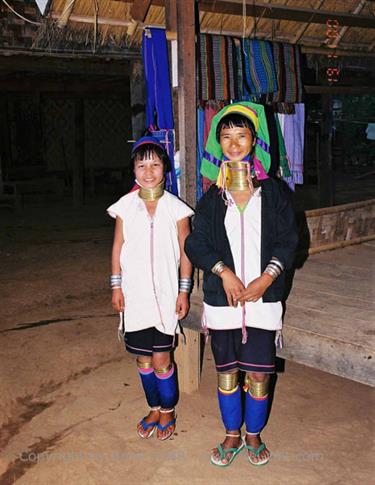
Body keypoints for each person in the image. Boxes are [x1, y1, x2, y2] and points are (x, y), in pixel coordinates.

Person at [185, 103, 298, 466]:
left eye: (241, 135)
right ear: (218, 144)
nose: (234, 143)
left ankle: (254, 433)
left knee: (259, 374)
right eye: (226, 136)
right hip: (224, 301)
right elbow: (196, 243)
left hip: (264, 302)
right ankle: (232, 433)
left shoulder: (274, 193)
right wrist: (224, 272)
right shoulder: (211, 199)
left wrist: (268, 278)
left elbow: (289, 240)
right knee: (228, 373)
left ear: (254, 141)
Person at [107, 136, 194, 441]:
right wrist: (116, 287)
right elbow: (117, 248)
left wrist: (184, 291)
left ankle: (168, 410)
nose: (148, 171)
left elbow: (186, 253)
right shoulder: (125, 207)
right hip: (136, 297)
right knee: (143, 359)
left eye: (154, 164)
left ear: (164, 168)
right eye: (141, 164)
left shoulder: (176, 208)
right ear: (133, 168)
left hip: (167, 298)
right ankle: (153, 406)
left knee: (162, 360)